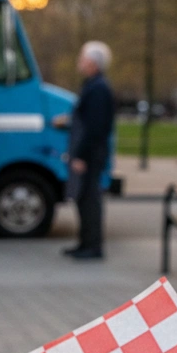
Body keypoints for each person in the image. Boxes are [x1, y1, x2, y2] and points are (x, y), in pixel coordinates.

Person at [63, 41, 115, 262]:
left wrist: (81, 156)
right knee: (84, 199)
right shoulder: (94, 86)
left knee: (90, 200)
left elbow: (95, 127)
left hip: (91, 155)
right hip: (92, 153)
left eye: (83, 59)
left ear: (93, 63)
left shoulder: (98, 89)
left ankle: (93, 246)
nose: (80, 63)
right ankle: (85, 242)